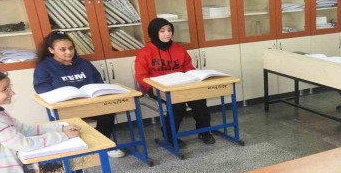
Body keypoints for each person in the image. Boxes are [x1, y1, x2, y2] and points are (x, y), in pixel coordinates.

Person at [33, 31, 125, 158]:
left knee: (108, 110)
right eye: (62, 49)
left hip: (90, 104)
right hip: (65, 109)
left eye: (71, 48)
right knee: (72, 123)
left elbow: (98, 83)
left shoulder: (83, 63)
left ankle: (103, 144)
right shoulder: (44, 68)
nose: (68, 52)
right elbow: (44, 92)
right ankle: (86, 145)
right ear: (51, 50)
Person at [135, 17, 215, 145]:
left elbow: (188, 67)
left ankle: (204, 131)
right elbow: (141, 76)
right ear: (154, 32)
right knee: (177, 105)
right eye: (162, 31)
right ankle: (169, 136)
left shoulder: (179, 49)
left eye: (169, 30)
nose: (167, 34)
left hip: (181, 85)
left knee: (199, 100)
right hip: (156, 87)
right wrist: (156, 86)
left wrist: (193, 76)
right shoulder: (144, 52)